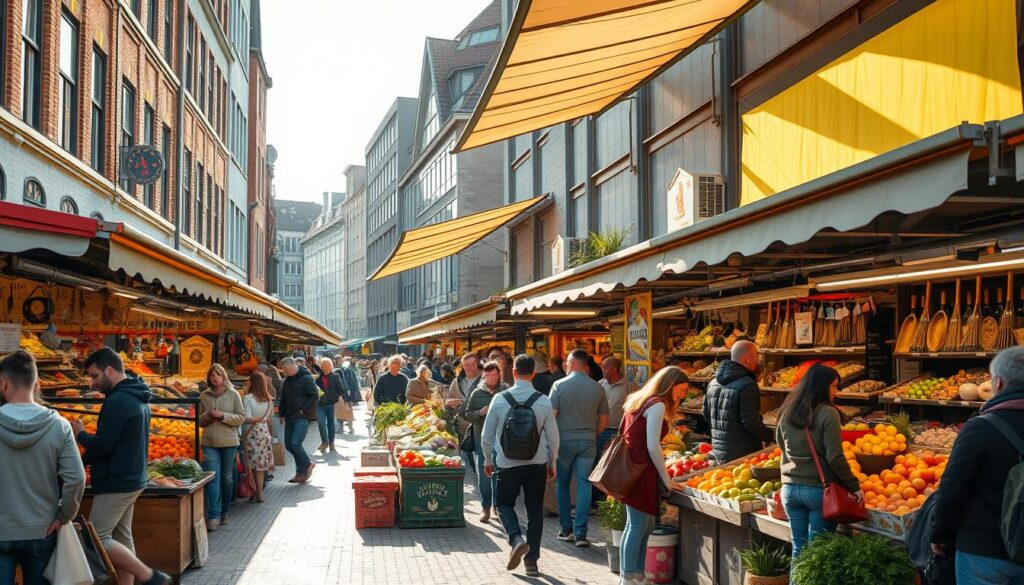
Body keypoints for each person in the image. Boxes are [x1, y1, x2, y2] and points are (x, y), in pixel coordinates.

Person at [72, 348, 171, 585]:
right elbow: (112, 442)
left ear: (109, 370)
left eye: (95, 376)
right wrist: (81, 462)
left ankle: (149, 575)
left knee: (98, 537)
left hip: (117, 481)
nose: (92, 383)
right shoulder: (136, 394)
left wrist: (81, 436)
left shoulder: (118, 401)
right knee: (122, 538)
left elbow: (104, 445)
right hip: (132, 478)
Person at [931, 347, 1024, 584]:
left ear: (999, 383)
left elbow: (952, 489)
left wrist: (938, 534)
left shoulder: (981, 427)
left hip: (984, 551)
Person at [0, 351, 86, 584]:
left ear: (3, 383)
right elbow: (77, 479)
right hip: (42, 529)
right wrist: (64, 516)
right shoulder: (59, 426)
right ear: (37, 384)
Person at [481, 355, 559, 578]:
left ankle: (516, 539)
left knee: (504, 503)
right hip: (536, 463)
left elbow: (487, 436)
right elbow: (554, 438)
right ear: (533, 374)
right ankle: (532, 562)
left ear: (513, 373)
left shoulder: (499, 399)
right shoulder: (543, 401)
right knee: (534, 510)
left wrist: (488, 459)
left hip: (507, 463)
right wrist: (552, 462)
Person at [774, 364, 861, 563]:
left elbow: (781, 445)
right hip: (817, 491)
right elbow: (835, 457)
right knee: (817, 555)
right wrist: (854, 486)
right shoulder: (828, 413)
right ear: (822, 386)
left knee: (799, 551)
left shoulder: (787, 410)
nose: (836, 392)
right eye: (834, 386)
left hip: (789, 489)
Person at [618, 366, 690, 583]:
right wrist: (666, 479)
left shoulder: (639, 400)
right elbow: (653, 446)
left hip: (633, 468)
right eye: (682, 389)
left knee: (638, 525)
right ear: (670, 385)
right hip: (641, 471)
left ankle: (633, 575)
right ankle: (629, 577)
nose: (683, 395)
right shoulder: (657, 404)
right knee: (639, 526)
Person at [550, 349, 609, 546]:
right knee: (585, 484)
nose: (566, 365)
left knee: (562, 484)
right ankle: (581, 533)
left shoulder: (558, 385)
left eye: (567, 362)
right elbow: (603, 420)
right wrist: (593, 434)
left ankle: (566, 529)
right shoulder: (598, 388)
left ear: (574, 363)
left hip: (564, 441)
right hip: (588, 440)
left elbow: (552, 415)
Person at [703, 340, 773, 462]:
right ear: (747, 359)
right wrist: (771, 437)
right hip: (743, 455)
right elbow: (751, 422)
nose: (757, 361)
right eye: (756, 356)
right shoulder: (748, 385)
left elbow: (706, 414)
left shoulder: (712, 383)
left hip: (718, 452)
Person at [460, 360, 509, 522]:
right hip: (482, 439)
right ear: (484, 376)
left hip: (503, 439)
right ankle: (485, 507)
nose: (491, 378)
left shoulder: (505, 390)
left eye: (494, 374)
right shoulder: (477, 393)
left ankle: (498, 506)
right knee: (484, 474)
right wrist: (480, 412)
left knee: (500, 473)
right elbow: (467, 414)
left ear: (499, 374)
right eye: (488, 375)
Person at [198, 364, 245, 530]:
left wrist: (223, 416)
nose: (215, 378)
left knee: (226, 478)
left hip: (229, 442)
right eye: (212, 376)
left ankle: (225, 510)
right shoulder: (204, 396)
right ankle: (214, 516)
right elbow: (199, 420)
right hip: (209, 442)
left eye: (218, 375)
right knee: (212, 478)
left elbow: (241, 417)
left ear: (224, 376)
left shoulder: (233, 394)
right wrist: (208, 416)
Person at [595, 356, 637, 503]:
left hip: (618, 431)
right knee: (598, 464)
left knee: (612, 466)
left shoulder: (627, 386)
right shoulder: (600, 384)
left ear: (613, 369)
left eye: (605, 367)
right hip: (601, 430)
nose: (602, 369)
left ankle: (611, 497)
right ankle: (598, 497)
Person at [279, 357, 319, 483]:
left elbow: (314, 395)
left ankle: (307, 465)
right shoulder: (287, 381)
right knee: (289, 445)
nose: (285, 372)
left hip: (302, 417)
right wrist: (281, 413)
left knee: (295, 443)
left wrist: (304, 410)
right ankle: (300, 473)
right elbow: (283, 398)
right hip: (289, 416)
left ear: (292, 366)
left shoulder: (306, 378)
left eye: (286, 369)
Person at [242, 372, 275, 503]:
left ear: (252, 383)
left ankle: (254, 491)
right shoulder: (268, 399)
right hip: (264, 431)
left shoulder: (248, 398)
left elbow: (247, 418)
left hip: (253, 432)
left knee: (251, 463)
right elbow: (270, 418)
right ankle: (260, 493)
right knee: (260, 465)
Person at [314, 358, 344, 453]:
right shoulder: (318, 378)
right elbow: (316, 391)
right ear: (321, 367)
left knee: (331, 424)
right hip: (320, 404)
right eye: (323, 365)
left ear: (331, 366)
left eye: (327, 365)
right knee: (321, 423)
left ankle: (331, 443)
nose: (325, 367)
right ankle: (324, 442)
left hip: (331, 404)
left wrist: (332, 398)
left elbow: (341, 390)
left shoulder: (335, 376)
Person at [337, 358, 362, 434]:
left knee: (342, 410)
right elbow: (355, 385)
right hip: (348, 394)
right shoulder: (350, 371)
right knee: (348, 410)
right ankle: (350, 428)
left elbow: (353, 384)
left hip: (343, 393)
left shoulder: (342, 371)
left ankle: (344, 428)